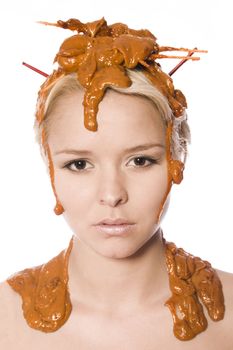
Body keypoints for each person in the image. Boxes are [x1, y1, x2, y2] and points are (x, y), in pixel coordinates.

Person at [0, 17, 232, 349]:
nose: (111, 195)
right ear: (48, 163)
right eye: (79, 164)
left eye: (140, 161)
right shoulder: (5, 319)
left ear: (178, 157)